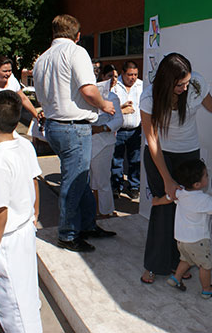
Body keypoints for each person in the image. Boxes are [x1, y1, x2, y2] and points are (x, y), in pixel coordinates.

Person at [139, 52, 212, 283]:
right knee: (165, 206)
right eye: (180, 84)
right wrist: (167, 179)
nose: (185, 87)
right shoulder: (149, 97)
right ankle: (153, 265)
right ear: (167, 81)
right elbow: (153, 140)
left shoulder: (196, 83)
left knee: (186, 209)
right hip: (159, 154)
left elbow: (211, 104)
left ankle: (178, 262)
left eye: (187, 82)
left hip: (188, 153)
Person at [33, 14, 117, 253]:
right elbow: (88, 90)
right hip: (73, 126)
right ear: (77, 36)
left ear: (53, 34)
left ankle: (88, 225)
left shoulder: (42, 59)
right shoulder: (76, 52)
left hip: (54, 125)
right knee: (74, 182)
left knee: (80, 180)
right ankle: (68, 234)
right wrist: (104, 105)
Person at [0, 91, 42, 333]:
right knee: (25, 299)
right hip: (22, 231)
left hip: (6, 240)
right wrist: (34, 216)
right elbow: (34, 184)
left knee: (14, 309)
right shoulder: (23, 146)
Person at [167, 159, 212, 298]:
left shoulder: (181, 192)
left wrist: (157, 201)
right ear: (197, 184)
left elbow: (169, 197)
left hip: (181, 239)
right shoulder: (203, 199)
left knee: (186, 259)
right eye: (206, 175)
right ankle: (207, 289)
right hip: (197, 240)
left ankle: (176, 278)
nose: (208, 176)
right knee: (205, 266)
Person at [91, 65, 123, 218]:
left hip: (104, 143)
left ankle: (106, 212)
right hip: (88, 142)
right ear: (102, 77)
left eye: (115, 76)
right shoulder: (88, 96)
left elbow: (118, 120)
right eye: (109, 76)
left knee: (102, 180)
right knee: (93, 181)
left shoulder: (113, 97)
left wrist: (102, 128)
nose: (113, 80)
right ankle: (95, 209)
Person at [111, 60, 143, 199]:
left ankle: (134, 186)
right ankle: (116, 186)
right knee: (116, 160)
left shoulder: (142, 85)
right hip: (118, 130)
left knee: (134, 160)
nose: (133, 78)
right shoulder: (114, 86)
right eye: (130, 74)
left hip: (136, 130)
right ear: (122, 73)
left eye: (135, 74)